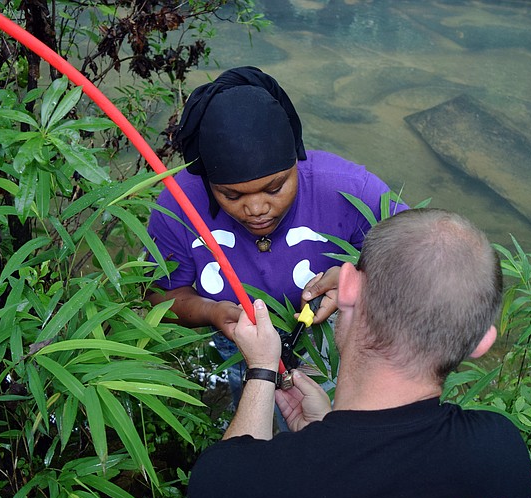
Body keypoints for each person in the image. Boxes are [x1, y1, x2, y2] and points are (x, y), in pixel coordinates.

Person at [185, 208, 531, 498]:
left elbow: (225, 491)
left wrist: (261, 371)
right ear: (481, 343)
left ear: (348, 285)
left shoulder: (232, 487)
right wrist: (323, 430)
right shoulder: (501, 458)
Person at [147, 66, 405, 407]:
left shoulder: (347, 189)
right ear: (208, 181)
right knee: (258, 414)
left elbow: (421, 259)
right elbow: (162, 296)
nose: (256, 209)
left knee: (338, 413)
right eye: (231, 196)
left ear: (296, 159)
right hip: (238, 341)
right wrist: (211, 313)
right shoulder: (178, 206)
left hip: (331, 334)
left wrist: (357, 279)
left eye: (275, 187)